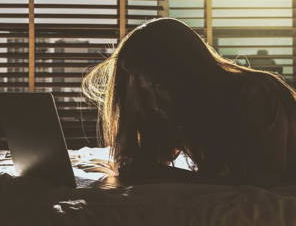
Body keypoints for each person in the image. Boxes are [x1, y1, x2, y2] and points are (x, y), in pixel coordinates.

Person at [82, 17, 296, 187]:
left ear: (183, 71)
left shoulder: (256, 91)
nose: (153, 94)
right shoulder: (183, 105)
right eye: (145, 87)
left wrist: (170, 176)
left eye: (156, 83)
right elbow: (148, 160)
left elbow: (264, 178)